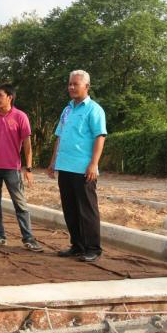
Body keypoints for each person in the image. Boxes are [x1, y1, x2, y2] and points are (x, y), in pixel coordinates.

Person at [47, 70, 107, 262]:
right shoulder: (67, 110)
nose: (71, 87)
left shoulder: (94, 109)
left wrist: (93, 164)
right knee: (70, 209)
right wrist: (53, 161)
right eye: (70, 84)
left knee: (87, 210)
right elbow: (59, 137)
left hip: (83, 168)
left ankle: (93, 248)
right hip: (65, 166)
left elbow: (100, 137)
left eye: (76, 84)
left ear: (86, 87)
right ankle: (77, 246)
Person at [0, 83, 44, 252]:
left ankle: (28, 239)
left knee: (20, 204)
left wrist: (28, 168)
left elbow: (27, 144)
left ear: (10, 97)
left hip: (12, 168)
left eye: (0, 95)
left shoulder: (20, 117)